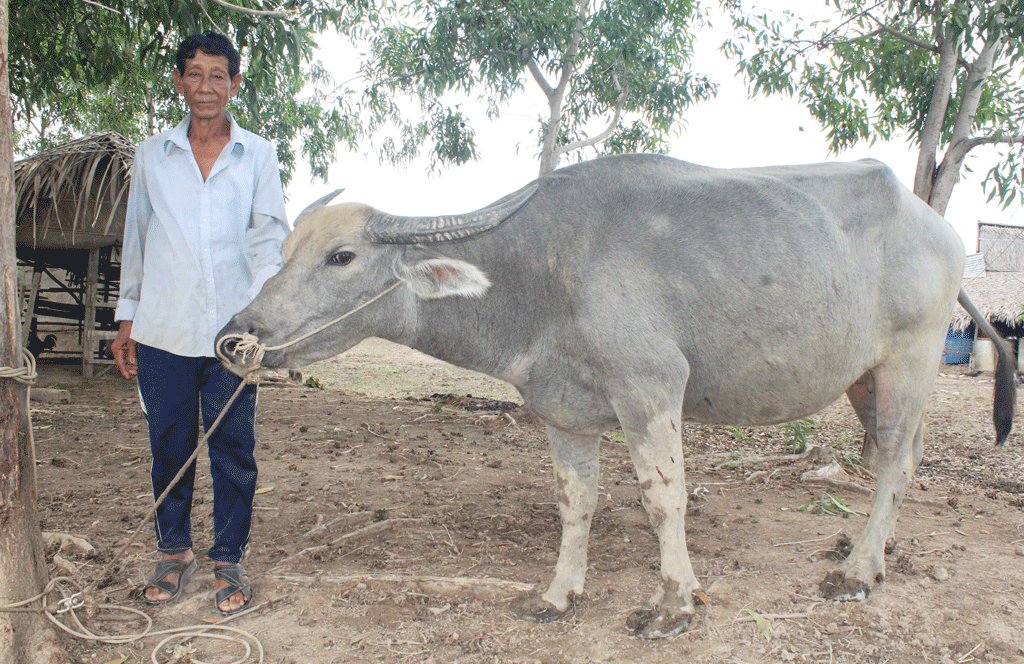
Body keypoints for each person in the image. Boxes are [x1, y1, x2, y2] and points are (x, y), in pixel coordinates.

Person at [112, 31, 289, 616]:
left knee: (234, 447)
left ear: (235, 84)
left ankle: (228, 557)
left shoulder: (258, 155)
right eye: (195, 73)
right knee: (169, 444)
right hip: (164, 328)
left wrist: (265, 316)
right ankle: (173, 550)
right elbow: (136, 241)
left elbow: (268, 237)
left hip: (234, 334)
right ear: (179, 82)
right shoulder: (152, 155)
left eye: (218, 75)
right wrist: (126, 320)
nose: (206, 86)